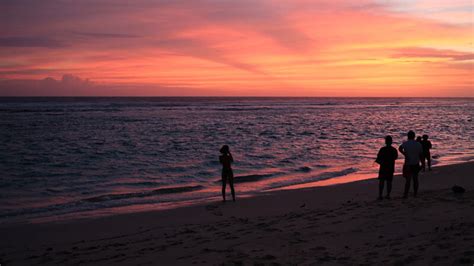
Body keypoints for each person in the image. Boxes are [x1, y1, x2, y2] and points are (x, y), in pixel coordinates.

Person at [399, 131, 423, 198]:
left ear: (408, 136)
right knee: (415, 179)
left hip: (408, 164)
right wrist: (422, 164)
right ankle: (415, 193)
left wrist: (405, 154)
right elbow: (421, 155)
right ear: (414, 136)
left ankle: (405, 194)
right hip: (416, 163)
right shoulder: (418, 144)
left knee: (408, 180)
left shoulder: (405, 143)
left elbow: (400, 148)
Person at [375, 135, 398, 200]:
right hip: (390, 167)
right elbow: (395, 157)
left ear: (385, 142)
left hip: (383, 168)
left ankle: (380, 195)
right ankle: (388, 195)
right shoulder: (394, 150)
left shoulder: (382, 149)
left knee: (382, 181)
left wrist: (381, 162)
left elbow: (378, 159)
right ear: (391, 142)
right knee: (389, 182)